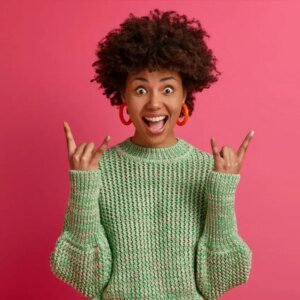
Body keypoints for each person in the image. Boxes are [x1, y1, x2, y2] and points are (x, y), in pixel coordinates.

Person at [49, 9, 254, 300]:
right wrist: (83, 187)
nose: (155, 103)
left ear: (185, 94)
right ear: (122, 95)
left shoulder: (207, 169)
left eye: (168, 89)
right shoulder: (98, 171)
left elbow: (218, 281)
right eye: (141, 89)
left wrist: (222, 193)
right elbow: (86, 279)